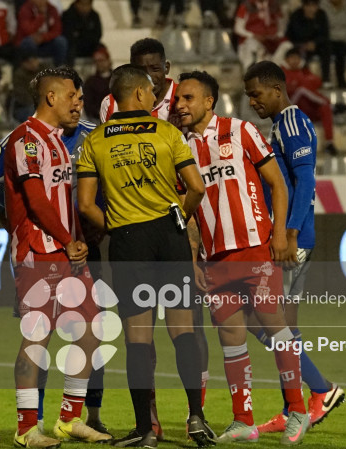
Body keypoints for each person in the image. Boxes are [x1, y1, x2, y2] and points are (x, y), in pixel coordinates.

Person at [76, 64, 214, 449]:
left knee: (138, 338)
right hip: (170, 237)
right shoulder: (167, 132)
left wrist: (116, 226)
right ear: (138, 93)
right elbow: (196, 188)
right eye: (152, 91)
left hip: (129, 241)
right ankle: (196, 417)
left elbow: (85, 205)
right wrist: (178, 218)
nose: (156, 97)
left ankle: (145, 431)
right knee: (183, 331)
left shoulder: (95, 141)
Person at [176, 70, 313, 445]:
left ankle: (298, 411)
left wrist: (280, 233)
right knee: (231, 339)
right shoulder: (180, 148)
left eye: (188, 98)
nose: (180, 105)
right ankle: (243, 421)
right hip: (214, 261)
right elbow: (189, 213)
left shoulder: (241, 131)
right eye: (178, 99)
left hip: (254, 251)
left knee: (276, 330)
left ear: (209, 101)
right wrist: (193, 259)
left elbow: (277, 183)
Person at [0, 69, 109, 439]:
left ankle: (69, 419)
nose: (78, 104)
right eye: (73, 97)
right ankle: (25, 428)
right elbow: (35, 200)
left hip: (68, 253)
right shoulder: (26, 139)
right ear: (51, 98)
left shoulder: (57, 142)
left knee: (90, 331)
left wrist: (77, 238)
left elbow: (63, 202)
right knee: (37, 339)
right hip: (38, 252)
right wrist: (67, 239)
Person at [243, 60, 346, 436]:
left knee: (260, 320)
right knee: (284, 326)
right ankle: (293, 407)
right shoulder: (281, 125)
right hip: (290, 237)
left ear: (276, 89)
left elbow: (305, 182)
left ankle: (321, 389)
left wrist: (288, 234)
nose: (252, 102)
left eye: (256, 94)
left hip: (291, 240)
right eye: (248, 96)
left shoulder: (292, 122)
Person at [99, 38, 177, 123]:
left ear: (166, 67)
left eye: (155, 69)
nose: (149, 77)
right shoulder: (111, 102)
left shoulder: (183, 97)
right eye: (141, 71)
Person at [282, 48, 339, 155]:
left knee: (324, 108)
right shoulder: (281, 74)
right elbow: (290, 90)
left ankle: (329, 143)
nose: (295, 61)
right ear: (286, 60)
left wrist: (301, 83)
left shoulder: (304, 71)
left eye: (297, 58)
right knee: (302, 91)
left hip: (308, 108)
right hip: (292, 109)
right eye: (292, 58)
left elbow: (317, 82)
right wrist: (302, 83)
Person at [233, 0, 290, 70]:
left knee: (287, 45)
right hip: (252, 40)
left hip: (271, 41)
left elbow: (281, 27)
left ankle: (274, 71)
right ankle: (251, 72)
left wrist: (277, 35)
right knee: (252, 45)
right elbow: (238, 28)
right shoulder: (247, 5)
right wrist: (254, 36)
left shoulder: (274, 4)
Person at [286, 0, 331, 85]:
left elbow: (325, 34)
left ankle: (326, 79)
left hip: (316, 44)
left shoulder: (321, 14)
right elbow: (295, 34)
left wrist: (315, 43)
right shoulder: (296, 15)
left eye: (314, 6)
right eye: (308, 6)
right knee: (301, 51)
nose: (311, 9)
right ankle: (303, 79)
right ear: (303, 6)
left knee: (326, 47)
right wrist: (309, 21)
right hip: (299, 43)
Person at [15, 0, 68, 67]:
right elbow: (27, 30)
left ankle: (59, 67)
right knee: (29, 42)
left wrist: (43, 37)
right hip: (30, 42)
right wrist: (41, 16)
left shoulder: (52, 9)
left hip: (45, 42)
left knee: (61, 41)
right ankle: (31, 65)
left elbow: (57, 30)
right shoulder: (25, 9)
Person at [61, 0, 102, 65]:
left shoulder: (94, 16)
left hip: (90, 45)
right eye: (82, 4)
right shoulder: (68, 15)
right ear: (76, 4)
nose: (85, 7)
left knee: (102, 49)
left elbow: (98, 34)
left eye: (87, 5)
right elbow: (68, 34)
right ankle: (69, 68)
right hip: (74, 46)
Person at [83, 46, 112, 121]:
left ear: (108, 61)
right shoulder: (90, 82)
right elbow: (88, 104)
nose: (99, 64)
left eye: (101, 60)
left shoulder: (117, 78)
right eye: (96, 61)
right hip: (97, 118)